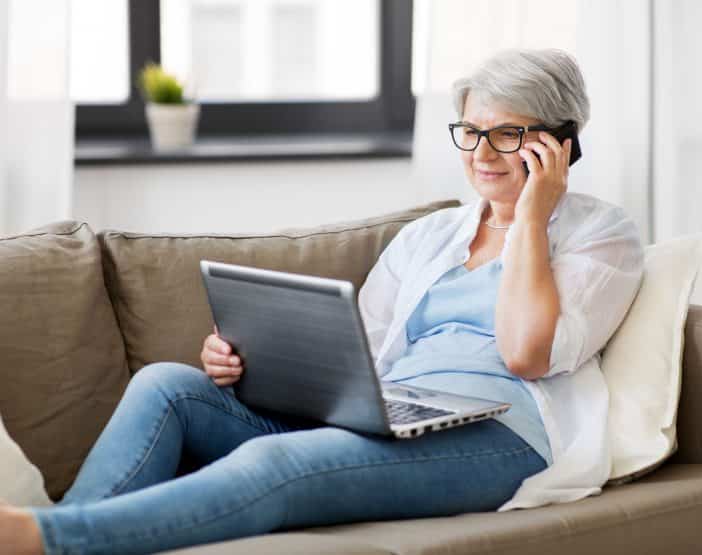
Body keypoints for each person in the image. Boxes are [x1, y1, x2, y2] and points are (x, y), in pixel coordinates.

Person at [0, 48, 644, 555]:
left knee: (275, 462)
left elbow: (527, 353)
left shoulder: (601, 235)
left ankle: (43, 541)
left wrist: (530, 216)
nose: (480, 154)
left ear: (560, 144)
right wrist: (248, 364)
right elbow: (357, 352)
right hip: (393, 413)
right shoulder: (431, 236)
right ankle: (51, 533)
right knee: (169, 385)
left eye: (507, 136)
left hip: (502, 434)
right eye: (470, 132)